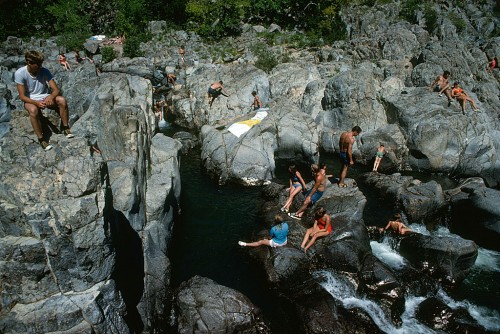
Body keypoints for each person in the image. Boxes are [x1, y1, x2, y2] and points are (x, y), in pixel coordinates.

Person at [15, 50, 74, 151]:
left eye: (40, 63)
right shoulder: (20, 73)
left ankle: (65, 128)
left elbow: (55, 90)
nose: (39, 66)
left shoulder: (44, 71)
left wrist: (50, 97)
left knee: (62, 100)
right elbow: (22, 96)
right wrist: (36, 103)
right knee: (33, 111)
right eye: (37, 64)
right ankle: (41, 139)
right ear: (29, 62)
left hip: (44, 95)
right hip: (30, 99)